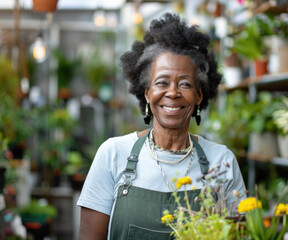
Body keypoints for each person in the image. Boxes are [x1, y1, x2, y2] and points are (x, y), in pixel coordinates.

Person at [77, 12, 246, 240]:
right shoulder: (114, 154)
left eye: (184, 83)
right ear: (147, 93)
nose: (173, 92)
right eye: (162, 82)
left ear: (198, 95)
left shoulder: (221, 162)